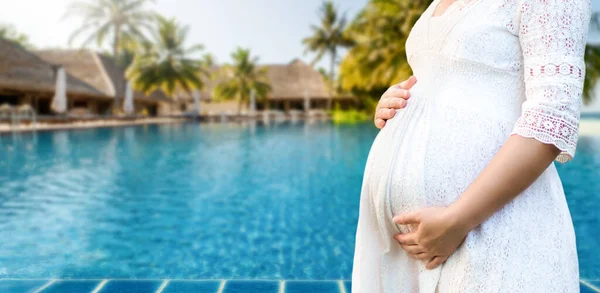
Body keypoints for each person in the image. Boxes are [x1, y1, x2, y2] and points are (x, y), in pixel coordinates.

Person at [351, 0, 592, 292]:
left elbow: (552, 119)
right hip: (409, 257)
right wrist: (399, 100)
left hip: (492, 233)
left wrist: (457, 220)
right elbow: (457, 79)